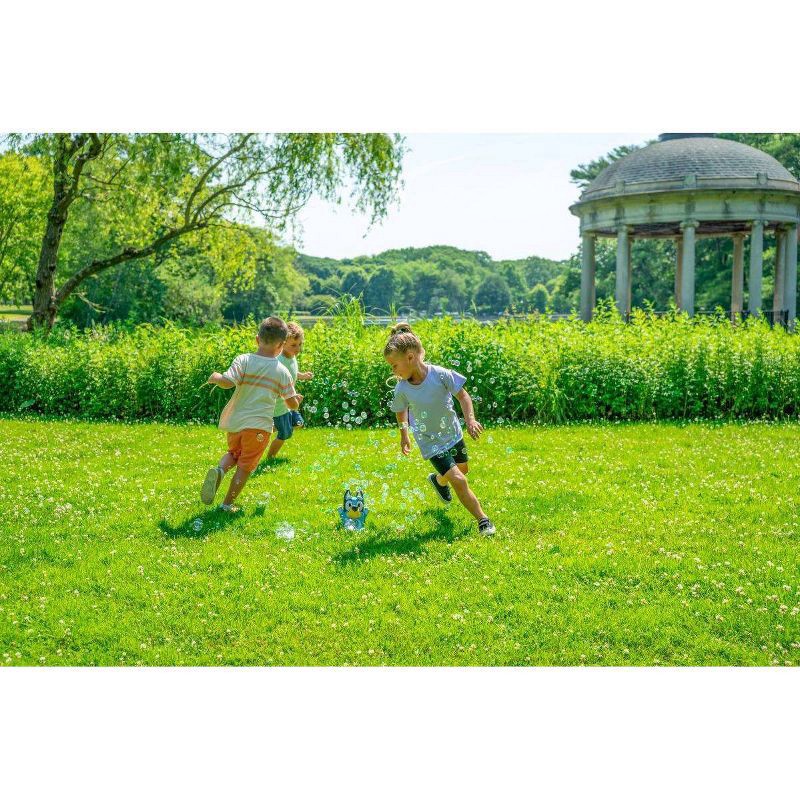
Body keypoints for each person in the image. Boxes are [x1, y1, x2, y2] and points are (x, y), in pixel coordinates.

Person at [384, 322, 495, 535]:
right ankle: (483, 520)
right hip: (430, 441)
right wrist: (404, 435)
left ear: (410, 357)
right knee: (459, 479)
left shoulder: (440, 374)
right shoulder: (402, 388)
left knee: (462, 470)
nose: (393, 371)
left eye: (394, 365)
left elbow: (463, 396)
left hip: (452, 433)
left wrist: (470, 420)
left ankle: (438, 481)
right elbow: (401, 410)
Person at [201, 316, 300, 511]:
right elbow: (292, 404)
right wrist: (297, 400)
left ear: (257, 339)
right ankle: (227, 504)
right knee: (245, 466)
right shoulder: (282, 371)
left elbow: (227, 382)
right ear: (281, 346)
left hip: (236, 423)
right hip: (259, 428)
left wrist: (216, 377)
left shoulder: (243, 360)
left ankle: (220, 470)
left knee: (234, 453)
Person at [266, 321, 313, 460]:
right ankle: (270, 458)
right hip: (280, 406)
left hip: (288, 403)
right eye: (293, 345)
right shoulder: (279, 361)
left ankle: (270, 427)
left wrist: (302, 375)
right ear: (282, 343)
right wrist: (291, 396)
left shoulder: (292, 356)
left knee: (299, 423)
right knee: (285, 433)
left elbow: (291, 373)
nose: (298, 348)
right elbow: (276, 383)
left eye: (300, 344)